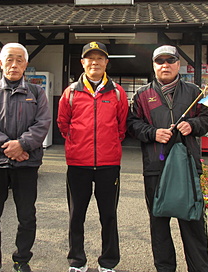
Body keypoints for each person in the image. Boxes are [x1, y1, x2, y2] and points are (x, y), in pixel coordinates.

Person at [127, 45, 208, 272]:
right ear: (154, 65)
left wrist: (192, 124)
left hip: (188, 168)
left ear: (178, 64)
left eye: (170, 60)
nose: (165, 65)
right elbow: (132, 125)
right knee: (159, 226)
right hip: (156, 168)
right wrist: (152, 132)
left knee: (193, 225)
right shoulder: (142, 95)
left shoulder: (195, 92)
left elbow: (207, 119)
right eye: (160, 61)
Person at [0, 42, 51, 272]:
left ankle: (22, 260)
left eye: (19, 60)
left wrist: (22, 145)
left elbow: (43, 123)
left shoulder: (37, 92)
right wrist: (8, 147)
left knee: (26, 215)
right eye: (9, 59)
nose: (14, 65)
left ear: (26, 65)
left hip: (27, 163)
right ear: (0, 63)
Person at [57, 41, 129, 272]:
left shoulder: (117, 92)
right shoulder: (70, 93)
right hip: (78, 164)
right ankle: (77, 261)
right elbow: (63, 124)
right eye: (90, 58)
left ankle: (108, 263)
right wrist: (78, 143)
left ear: (106, 62)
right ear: (82, 62)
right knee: (76, 215)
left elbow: (122, 126)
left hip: (109, 165)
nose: (95, 62)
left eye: (100, 58)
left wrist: (108, 144)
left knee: (108, 215)